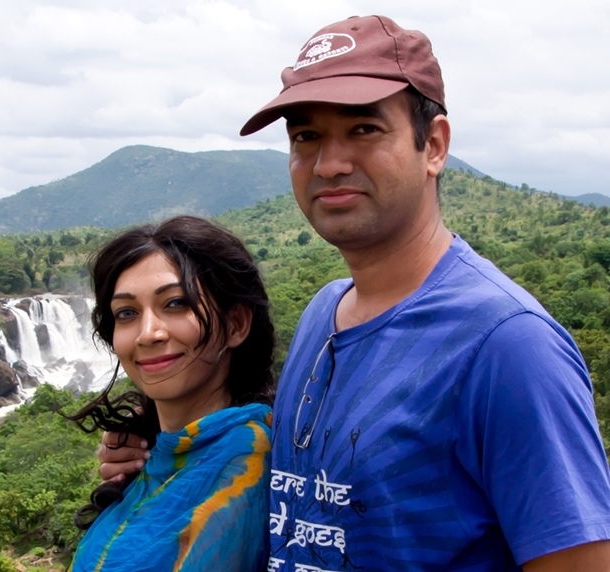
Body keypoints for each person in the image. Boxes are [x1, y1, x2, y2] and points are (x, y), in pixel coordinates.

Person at [99, 15, 610, 571]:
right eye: (306, 136)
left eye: (364, 129)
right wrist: (152, 454)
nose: (330, 164)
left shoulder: (507, 345)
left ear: (433, 145)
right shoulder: (326, 311)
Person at [66, 215, 275, 572]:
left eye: (176, 303)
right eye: (127, 312)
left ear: (236, 325)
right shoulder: (159, 456)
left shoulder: (246, 459)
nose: (148, 333)